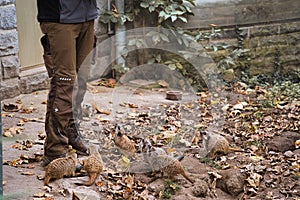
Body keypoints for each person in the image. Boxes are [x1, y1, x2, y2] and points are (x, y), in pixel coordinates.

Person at [37, 0, 98, 166]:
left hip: (87, 15)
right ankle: (55, 149)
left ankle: (70, 132)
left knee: (81, 81)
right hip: (60, 17)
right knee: (64, 85)